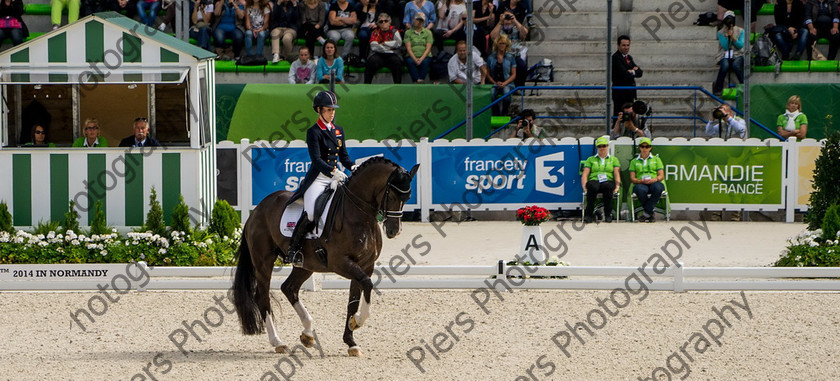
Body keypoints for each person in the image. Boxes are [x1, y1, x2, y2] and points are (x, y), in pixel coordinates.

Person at [284, 90, 356, 267]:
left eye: (333, 110)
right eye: (328, 110)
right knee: (310, 211)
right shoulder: (314, 132)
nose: (331, 113)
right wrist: (333, 171)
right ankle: (294, 250)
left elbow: (344, 156)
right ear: (319, 110)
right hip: (318, 178)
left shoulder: (339, 131)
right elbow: (316, 160)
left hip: (335, 177)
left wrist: (352, 166)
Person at [581, 135, 620, 223]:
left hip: (607, 180)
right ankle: (589, 214)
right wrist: (584, 187)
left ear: (607, 146)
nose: (602, 148)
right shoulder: (590, 159)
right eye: (599, 146)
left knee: (608, 187)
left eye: (604, 146)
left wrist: (617, 186)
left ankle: (608, 214)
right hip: (594, 180)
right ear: (597, 147)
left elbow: (616, 174)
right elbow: (585, 174)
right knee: (592, 187)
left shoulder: (614, 159)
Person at [629, 137, 665, 223]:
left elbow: (661, 175)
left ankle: (646, 213)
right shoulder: (634, 161)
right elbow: (632, 178)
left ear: (650, 148)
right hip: (641, 182)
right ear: (639, 148)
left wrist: (655, 179)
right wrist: (640, 181)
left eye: (647, 146)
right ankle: (650, 213)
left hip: (654, 181)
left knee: (658, 188)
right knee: (640, 190)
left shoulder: (656, 159)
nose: (645, 149)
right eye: (642, 146)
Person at [713, 11, 745, 96]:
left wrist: (732, 37)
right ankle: (718, 88)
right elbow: (725, 46)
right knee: (724, 66)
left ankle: (744, 86)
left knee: (736, 65)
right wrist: (727, 36)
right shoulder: (720, 32)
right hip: (725, 54)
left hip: (738, 54)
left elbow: (740, 45)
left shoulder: (741, 30)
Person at [365, 13, 403, 83]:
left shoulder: (394, 31)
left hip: (392, 55)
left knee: (397, 62)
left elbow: (398, 43)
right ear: (378, 24)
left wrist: (384, 43)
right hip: (379, 54)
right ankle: (366, 86)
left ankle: (398, 86)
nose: (383, 23)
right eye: (381, 21)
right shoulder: (375, 32)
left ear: (389, 22)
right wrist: (389, 47)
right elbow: (373, 46)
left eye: (386, 21)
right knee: (370, 62)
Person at [611, 35, 643, 116]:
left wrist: (631, 71)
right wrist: (633, 71)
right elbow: (624, 74)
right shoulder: (615, 58)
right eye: (624, 45)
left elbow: (640, 72)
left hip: (630, 93)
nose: (626, 47)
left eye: (628, 45)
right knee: (619, 116)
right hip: (620, 94)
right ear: (618, 46)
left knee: (630, 117)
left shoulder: (629, 57)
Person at [486, 34, 516, 116]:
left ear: (506, 45)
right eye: (500, 43)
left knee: (506, 93)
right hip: (494, 82)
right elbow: (487, 74)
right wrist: (494, 83)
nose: (502, 45)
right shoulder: (490, 58)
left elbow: (513, 74)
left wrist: (505, 83)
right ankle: (495, 113)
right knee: (491, 94)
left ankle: (504, 112)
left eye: (504, 43)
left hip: (507, 82)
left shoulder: (511, 57)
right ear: (497, 44)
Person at [404, 11, 433, 83]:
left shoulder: (428, 32)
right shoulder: (408, 32)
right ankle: (417, 80)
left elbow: (428, 48)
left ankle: (420, 80)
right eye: (418, 19)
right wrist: (415, 59)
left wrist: (421, 59)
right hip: (412, 56)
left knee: (425, 62)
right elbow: (408, 48)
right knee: (410, 62)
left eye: (421, 20)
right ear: (414, 20)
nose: (419, 22)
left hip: (425, 56)